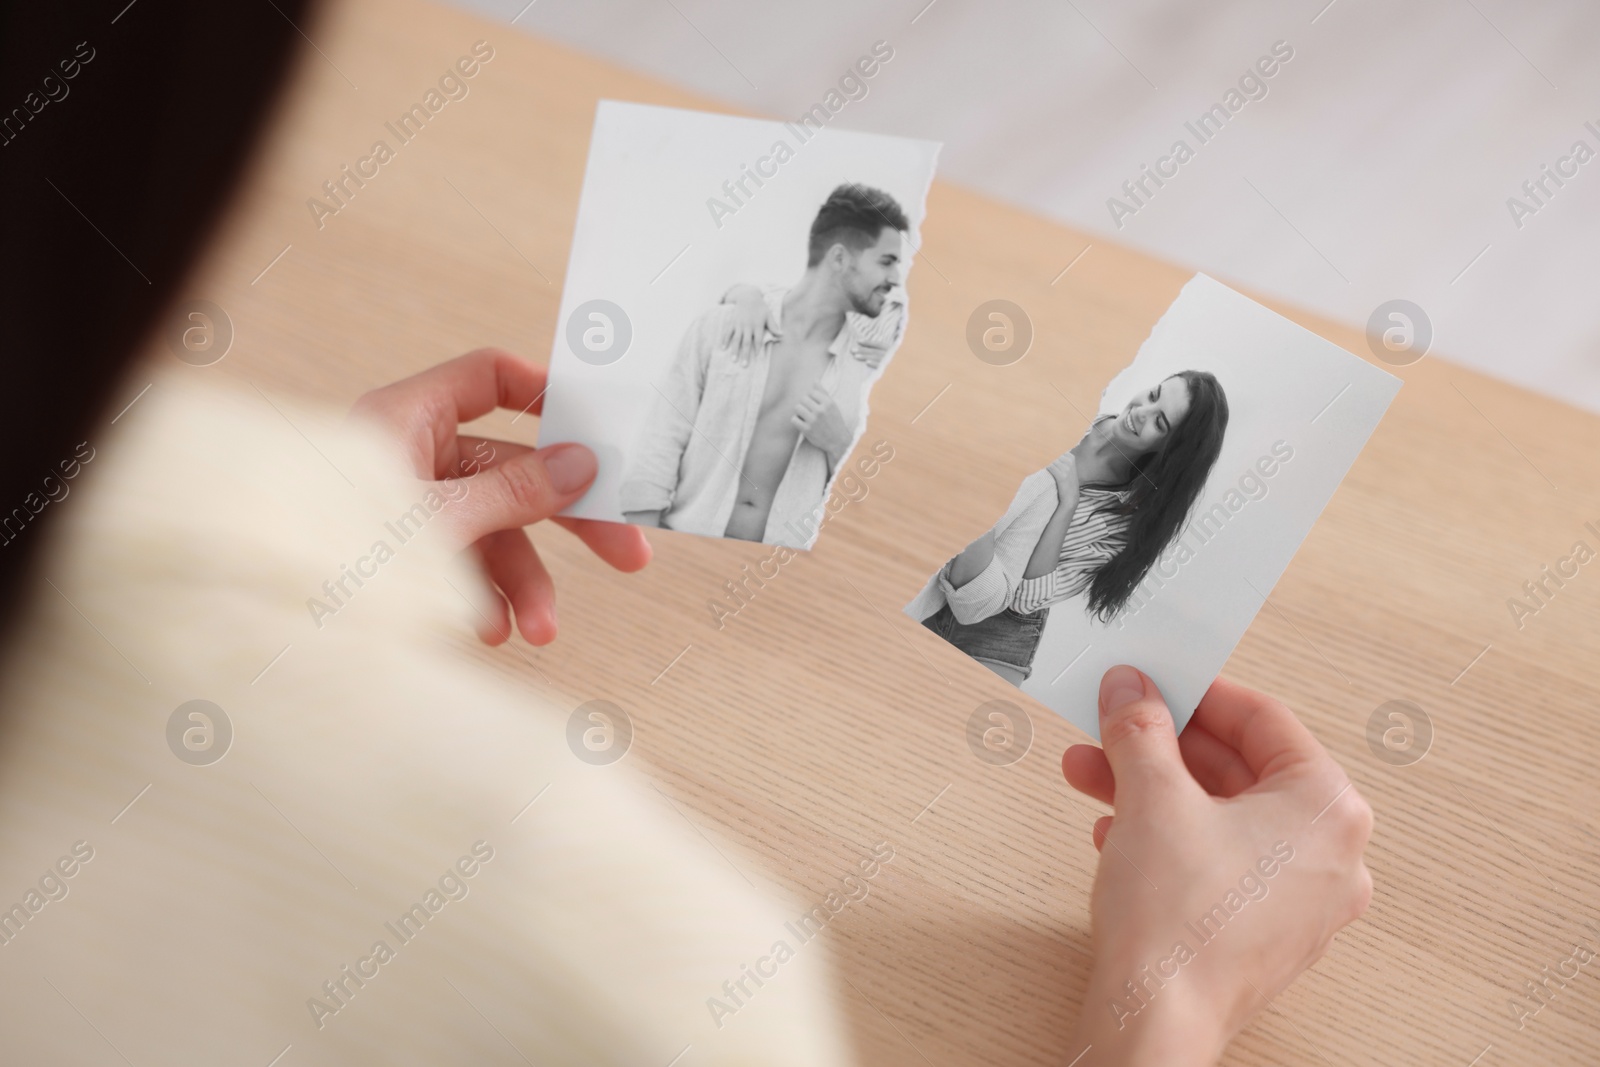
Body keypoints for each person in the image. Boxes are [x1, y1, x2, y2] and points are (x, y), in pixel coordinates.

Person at [0, 7, 1371, 1063]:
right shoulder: (620, 952)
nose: (1130, 405)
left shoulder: (877, 415)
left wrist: (300, 527)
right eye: (883, 270)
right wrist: (1170, 992)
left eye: (1156, 408)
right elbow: (959, 578)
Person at [620, 183, 909, 547]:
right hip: (684, 543)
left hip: (780, 572)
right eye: (887, 261)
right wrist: (644, 546)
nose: (896, 279)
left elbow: (884, 505)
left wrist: (840, 445)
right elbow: (660, 442)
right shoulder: (721, 327)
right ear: (839, 259)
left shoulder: (872, 368)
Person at [906, 371, 1228, 684]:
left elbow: (1027, 599)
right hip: (957, 570)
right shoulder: (1079, 408)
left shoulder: (1124, 523)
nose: (1140, 412)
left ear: (1169, 451)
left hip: (1003, 627)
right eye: (1153, 394)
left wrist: (1068, 504)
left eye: (1160, 422)